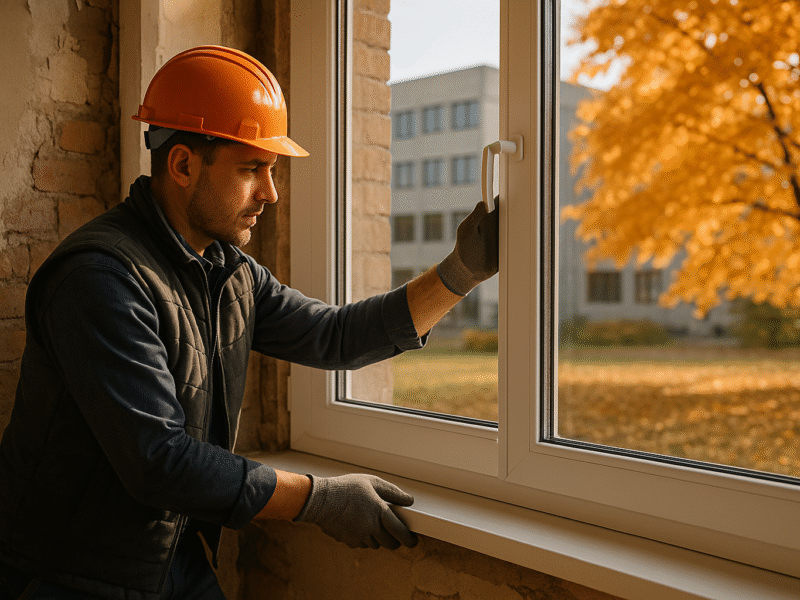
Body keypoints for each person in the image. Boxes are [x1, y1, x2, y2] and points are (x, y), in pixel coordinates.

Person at [0, 46, 499, 599]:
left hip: (171, 559)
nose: (271, 193)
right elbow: (159, 461)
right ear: (184, 165)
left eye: (272, 170)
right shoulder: (99, 278)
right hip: (72, 575)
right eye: (251, 169)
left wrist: (461, 272)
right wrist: (317, 499)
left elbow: (333, 336)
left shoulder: (228, 273)